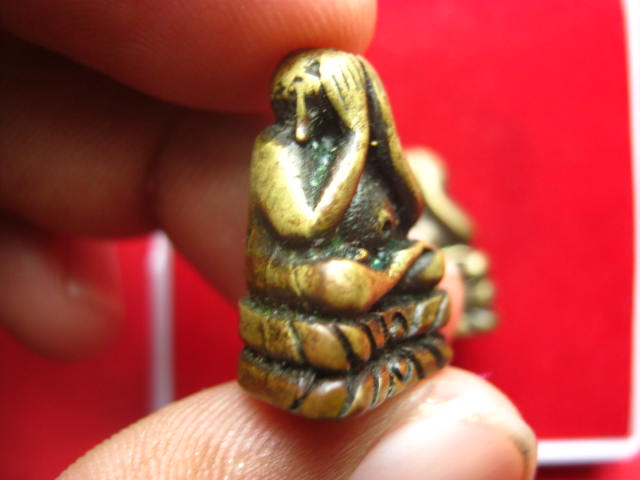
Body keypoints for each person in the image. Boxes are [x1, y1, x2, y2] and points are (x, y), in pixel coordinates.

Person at [0, 0, 537, 478]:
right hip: (300, 275)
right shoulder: (277, 149)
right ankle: (359, 316)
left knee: (427, 264)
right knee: (340, 281)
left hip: (362, 278)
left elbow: (406, 211)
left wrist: (380, 149)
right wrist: (352, 149)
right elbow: (306, 227)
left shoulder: (371, 157)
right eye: (301, 99)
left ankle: (375, 306)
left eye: (323, 102)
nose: (304, 113)